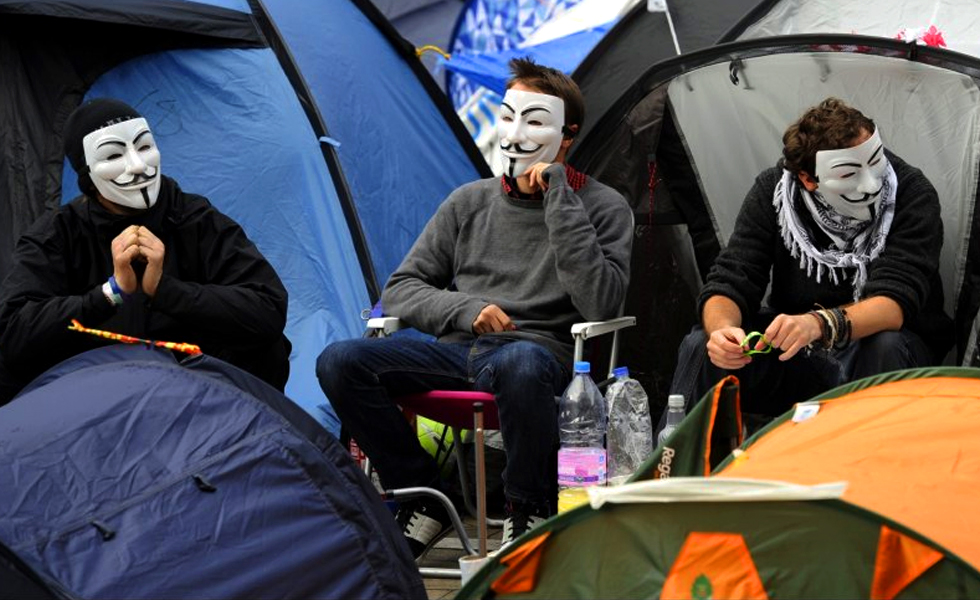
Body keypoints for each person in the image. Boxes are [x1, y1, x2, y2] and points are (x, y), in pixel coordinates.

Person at [316, 57, 632, 559]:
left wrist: (559, 201)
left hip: (539, 357)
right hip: (459, 352)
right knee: (339, 360)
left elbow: (602, 300)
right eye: (507, 116)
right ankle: (422, 494)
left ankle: (529, 508)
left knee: (521, 362)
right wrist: (467, 309)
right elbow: (401, 287)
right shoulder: (468, 202)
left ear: (566, 136)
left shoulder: (603, 206)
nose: (515, 132)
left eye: (533, 120)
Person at [669, 97, 954, 422]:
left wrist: (816, 324)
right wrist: (723, 332)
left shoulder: (911, 193)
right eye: (849, 173)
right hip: (798, 350)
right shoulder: (774, 191)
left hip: (886, 352)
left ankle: (882, 466)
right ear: (808, 179)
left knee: (884, 345)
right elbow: (732, 276)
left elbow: (893, 304)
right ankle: (676, 460)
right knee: (701, 345)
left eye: (877, 161)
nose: (872, 183)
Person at [0, 98, 291, 403]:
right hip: (93, 387)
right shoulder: (58, 234)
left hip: (195, 384)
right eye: (113, 154)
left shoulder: (194, 218)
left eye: (143, 147)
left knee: (266, 345)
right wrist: (108, 294)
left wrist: (166, 290)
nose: (138, 166)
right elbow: (14, 333)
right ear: (86, 175)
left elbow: (267, 306)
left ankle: (251, 442)